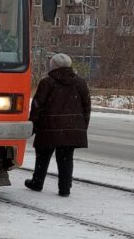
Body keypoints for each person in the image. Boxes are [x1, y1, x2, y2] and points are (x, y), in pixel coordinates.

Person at [25, 52, 91, 196]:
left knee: (43, 156)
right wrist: (81, 126)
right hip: (72, 127)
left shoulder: (47, 83)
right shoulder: (80, 83)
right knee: (66, 159)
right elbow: (86, 107)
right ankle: (65, 188)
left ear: (53, 66)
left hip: (48, 127)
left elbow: (37, 106)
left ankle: (37, 182)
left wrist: (33, 125)